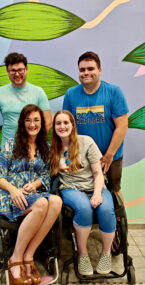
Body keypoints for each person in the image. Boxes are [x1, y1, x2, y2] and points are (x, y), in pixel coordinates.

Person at [0, 104, 62, 285]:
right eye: (28, 120)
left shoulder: (45, 147)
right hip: (8, 194)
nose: (32, 124)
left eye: (36, 120)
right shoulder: (11, 144)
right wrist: (14, 190)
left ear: (41, 123)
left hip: (32, 194)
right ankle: (15, 259)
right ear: (22, 123)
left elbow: (45, 176)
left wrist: (36, 184)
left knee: (56, 201)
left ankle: (29, 255)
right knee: (41, 205)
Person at [50, 110, 116, 275]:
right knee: (84, 208)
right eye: (58, 123)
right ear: (54, 127)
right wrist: (56, 166)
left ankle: (106, 253)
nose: (62, 126)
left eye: (66, 122)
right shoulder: (52, 148)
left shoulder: (86, 142)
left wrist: (97, 194)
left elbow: (98, 173)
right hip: (71, 188)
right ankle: (83, 254)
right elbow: (47, 175)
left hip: (95, 185)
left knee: (107, 209)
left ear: (73, 125)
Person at [63, 51, 129, 200]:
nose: (86, 73)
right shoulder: (71, 94)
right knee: (84, 191)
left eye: (91, 69)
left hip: (111, 156)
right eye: (82, 70)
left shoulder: (114, 92)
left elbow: (122, 126)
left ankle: (119, 222)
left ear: (99, 70)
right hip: (82, 156)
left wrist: (109, 155)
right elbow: (67, 127)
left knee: (114, 191)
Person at [0, 52, 52, 165]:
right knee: (2, 181)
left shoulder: (38, 92)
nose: (17, 74)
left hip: (33, 152)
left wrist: (33, 143)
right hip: (7, 152)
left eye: (20, 70)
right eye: (13, 70)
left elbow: (48, 121)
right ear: (7, 71)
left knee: (31, 182)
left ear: (26, 69)